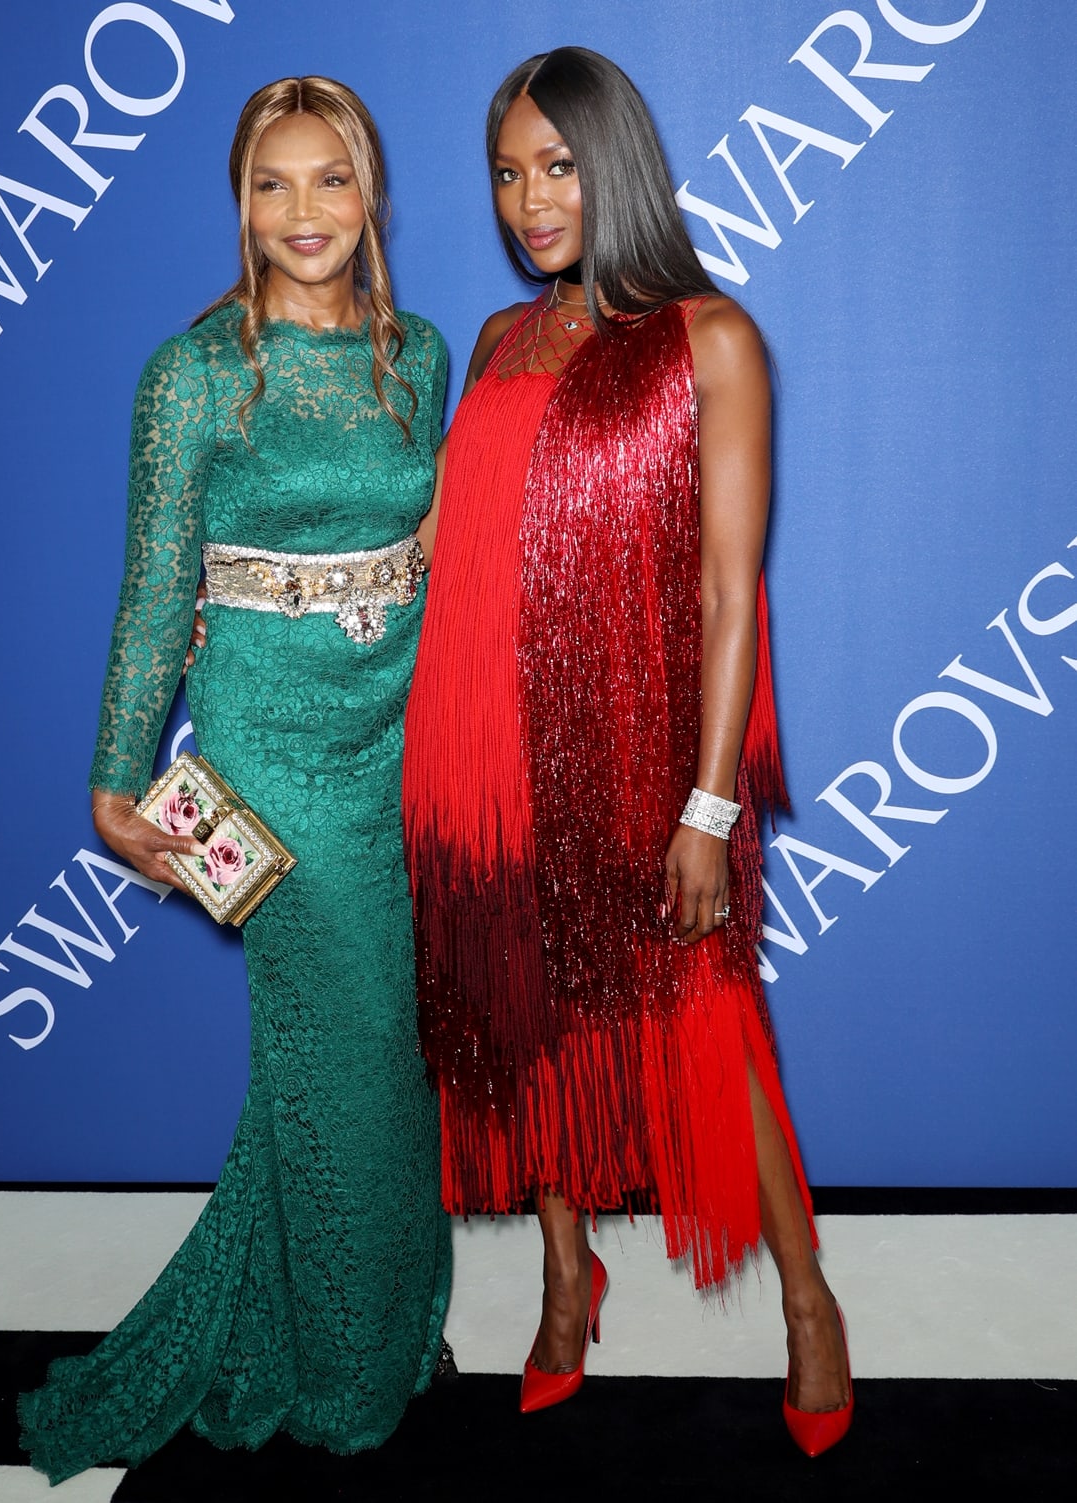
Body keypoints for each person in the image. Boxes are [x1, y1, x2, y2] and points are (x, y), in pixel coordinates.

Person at [401, 47, 852, 1456]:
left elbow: (730, 593)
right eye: (507, 171)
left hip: (647, 767)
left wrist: (709, 807)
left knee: (713, 1032)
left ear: (621, 165)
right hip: (480, 765)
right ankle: (558, 1279)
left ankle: (810, 1308)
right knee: (520, 1029)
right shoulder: (490, 345)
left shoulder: (710, 339)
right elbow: (444, 554)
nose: (531, 198)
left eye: (559, 164)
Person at [18, 76, 452, 1484]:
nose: (304, 212)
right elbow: (155, 585)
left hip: (395, 741)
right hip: (266, 756)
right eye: (273, 184)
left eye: (331, 180)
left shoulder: (420, 358)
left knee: (360, 1063)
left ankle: (376, 1320)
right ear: (238, 201)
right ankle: (340, 1372)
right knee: (345, 1057)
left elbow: (449, 556)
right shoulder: (195, 370)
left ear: (371, 192)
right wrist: (113, 774)